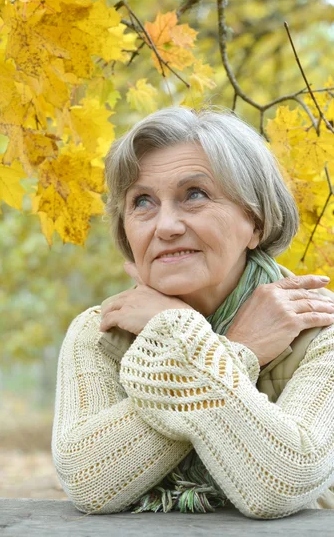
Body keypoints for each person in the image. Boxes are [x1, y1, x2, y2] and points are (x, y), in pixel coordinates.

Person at [52, 106, 334, 519]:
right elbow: (87, 481)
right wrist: (235, 349)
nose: (165, 226)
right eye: (143, 201)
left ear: (255, 222)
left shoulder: (321, 332)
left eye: (195, 195)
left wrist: (175, 335)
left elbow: (283, 482)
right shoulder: (100, 331)